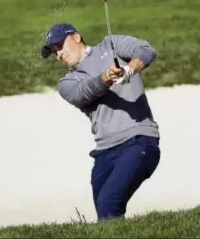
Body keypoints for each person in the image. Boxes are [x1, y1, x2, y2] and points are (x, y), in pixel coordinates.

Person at [41, 23, 161, 221]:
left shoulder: (110, 45)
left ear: (77, 37)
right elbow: (84, 92)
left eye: (60, 46)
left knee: (109, 203)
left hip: (139, 140)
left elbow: (146, 51)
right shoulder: (67, 83)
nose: (59, 54)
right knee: (106, 218)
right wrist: (107, 77)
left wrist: (129, 70)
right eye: (54, 52)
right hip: (104, 155)